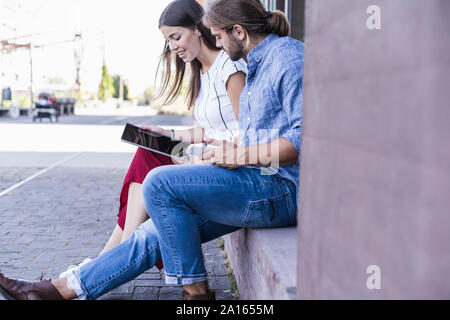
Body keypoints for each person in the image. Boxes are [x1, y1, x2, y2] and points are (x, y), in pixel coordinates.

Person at [0, 0, 303, 300]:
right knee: (152, 233)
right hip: (256, 182)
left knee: (159, 182)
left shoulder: (286, 58)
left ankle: (195, 294)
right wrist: (228, 147)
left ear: (238, 31)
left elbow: (300, 141)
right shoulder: (258, 64)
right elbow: (259, 134)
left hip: (279, 187)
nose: (219, 43)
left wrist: (237, 154)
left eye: (219, 36)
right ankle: (62, 289)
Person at [57, 0, 248, 277]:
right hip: (205, 155)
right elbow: (206, 130)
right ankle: (109, 255)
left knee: (149, 165)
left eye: (176, 37)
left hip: (225, 164)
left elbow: (249, 130)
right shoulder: (203, 73)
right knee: (146, 150)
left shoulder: (230, 70)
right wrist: (165, 133)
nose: (173, 47)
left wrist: (223, 153)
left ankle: (113, 257)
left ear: (198, 29)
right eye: (168, 40)